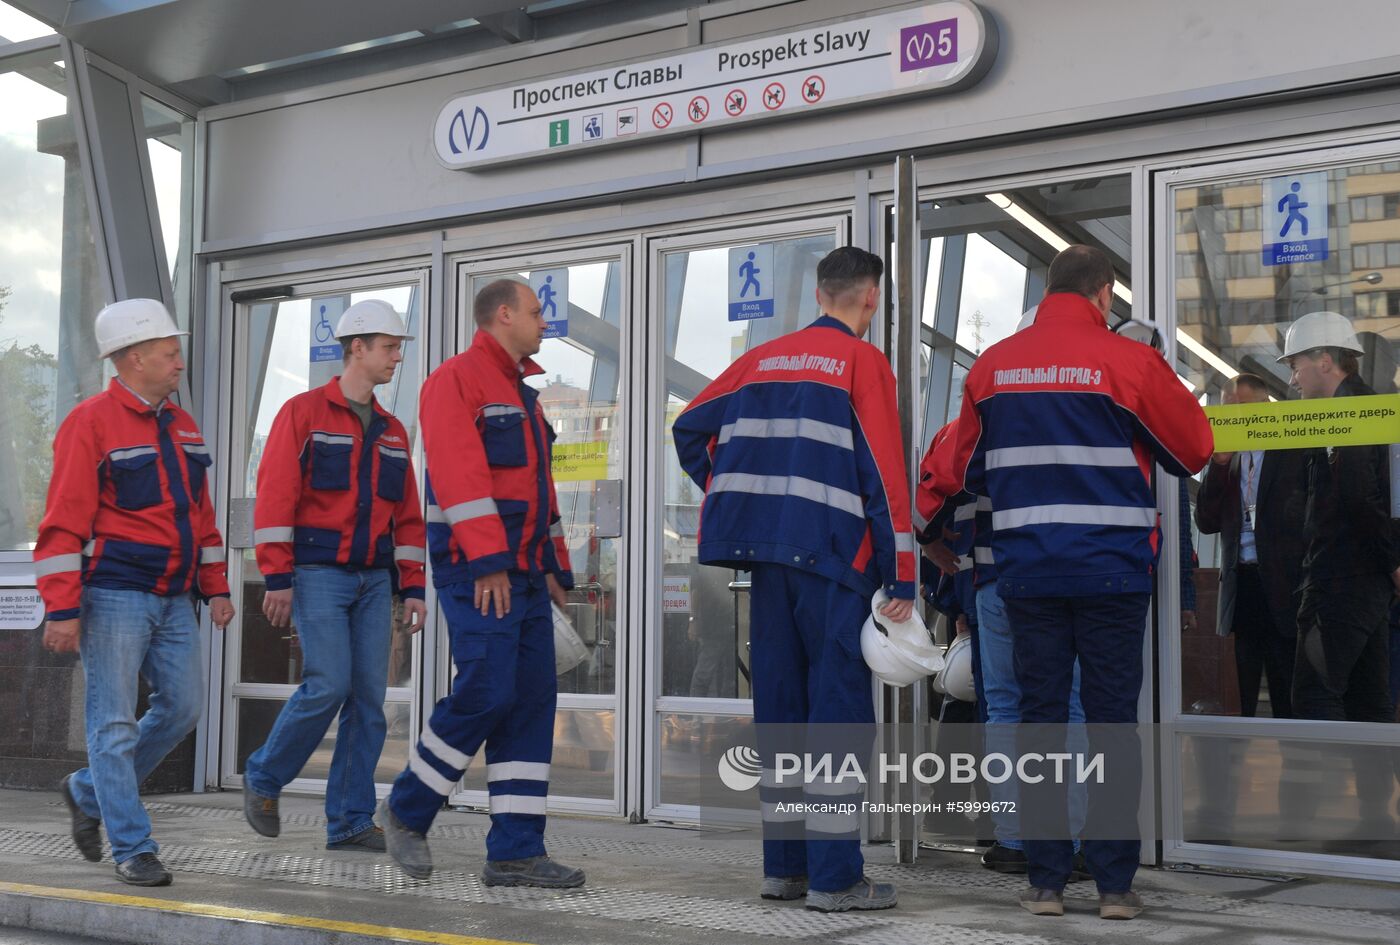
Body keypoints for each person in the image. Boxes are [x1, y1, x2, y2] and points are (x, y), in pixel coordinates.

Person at [920, 245, 1212, 920]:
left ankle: (1045, 883)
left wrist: (934, 541)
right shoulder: (1129, 362)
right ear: (1105, 294)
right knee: (1111, 723)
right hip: (1113, 573)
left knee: (1038, 722)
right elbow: (1194, 446)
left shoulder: (994, 368)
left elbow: (949, 468)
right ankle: (1112, 887)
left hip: (1027, 574)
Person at [673, 246, 917, 913]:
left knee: (780, 715)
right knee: (836, 718)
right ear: (871, 298)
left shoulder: (762, 360)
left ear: (819, 294)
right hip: (834, 564)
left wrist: (740, 496)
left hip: (768, 566)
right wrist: (901, 573)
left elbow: (689, 429)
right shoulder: (862, 363)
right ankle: (837, 879)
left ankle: (785, 869)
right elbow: (884, 474)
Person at [377, 279, 582, 889]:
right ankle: (406, 812)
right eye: (536, 312)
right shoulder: (456, 381)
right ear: (503, 315)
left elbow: (540, 494)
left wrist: (554, 567)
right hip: (478, 570)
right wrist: (489, 559)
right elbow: (459, 474)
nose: (544, 321)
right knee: (489, 691)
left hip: (520, 573)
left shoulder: (523, 396)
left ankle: (516, 852)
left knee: (529, 703)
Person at [36, 298, 235, 887]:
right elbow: (61, 524)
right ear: (133, 357)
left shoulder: (183, 424)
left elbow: (201, 516)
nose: (180, 362)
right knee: (113, 724)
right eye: (170, 352)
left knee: (184, 708)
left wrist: (217, 586)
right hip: (114, 594)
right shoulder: (89, 422)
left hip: (175, 596)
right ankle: (133, 846)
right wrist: (63, 608)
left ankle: (86, 791)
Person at [242, 299, 427, 850]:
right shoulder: (302, 414)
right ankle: (265, 775)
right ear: (357, 348)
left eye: (398, 349)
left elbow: (409, 517)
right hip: (318, 574)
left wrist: (413, 585)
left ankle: (348, 821)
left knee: (370, 701)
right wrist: (277, 576)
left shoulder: (394, 431)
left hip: (374, 581)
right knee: (329, 684)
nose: (396, 358)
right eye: (390, 348)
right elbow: (275, 496)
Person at [1280, 312, 1398, 724]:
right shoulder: (1365, 408)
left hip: (1341, 580)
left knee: (1313, 697)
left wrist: (1393, 561)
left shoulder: (1351, 413)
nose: (1293, 380)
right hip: (1365, 580)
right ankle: (1376, 790)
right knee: (1370, 701)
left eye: (1295, 366)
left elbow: (1360, 498)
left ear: (1324, 361)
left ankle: (1323, 793)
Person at [1195, 373, 1308, 718]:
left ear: (1265, 407)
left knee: (1285, 685)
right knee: (1240, 686)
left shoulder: (1292, 448)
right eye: (1228, 409)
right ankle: (1237, 756)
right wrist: (1218, 465)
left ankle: (1293, 758)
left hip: (1284, 583)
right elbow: (1206, 521)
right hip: (1241, 581)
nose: (1234, 417)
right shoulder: (1225, 456)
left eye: (1242, 408)